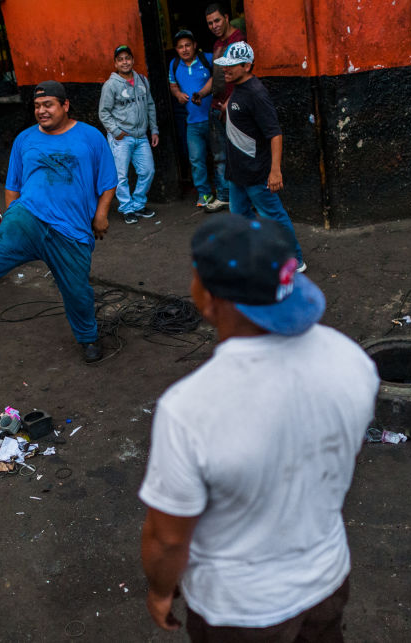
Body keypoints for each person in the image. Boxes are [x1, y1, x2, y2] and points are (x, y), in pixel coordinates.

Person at [139, 213, 378, 641]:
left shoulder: (189, 409)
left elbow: (168, 538)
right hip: (327, 582)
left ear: (210, 299)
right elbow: (337, 459)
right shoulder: (353, 361)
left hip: (241, 611)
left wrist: (160, 589)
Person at [0, 81, 117, 363]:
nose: (41, 111)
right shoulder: (25, 139)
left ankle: (88, 338)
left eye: (48, 104)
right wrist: (11, 214)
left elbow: (108, 181)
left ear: (65, 105)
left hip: (72, 229)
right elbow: (13, 183)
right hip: (29, 214)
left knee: (77, 292)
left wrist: (101, 215)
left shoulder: (91, 137)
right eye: (37, 106)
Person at [216, 41, 306, 272]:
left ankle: (295, 260)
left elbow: (274, 133)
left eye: (231, 66)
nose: (226, 69)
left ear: (247, 66)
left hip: (256, 172)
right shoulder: (239, 87)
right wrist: (229, 106)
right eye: (224, 65)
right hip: (237, 172)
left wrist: (275, 171)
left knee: (274, 216)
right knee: (240, 216)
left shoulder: (257, 93)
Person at [98, 44, 159, 224]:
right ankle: (126, 208)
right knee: (121, 175)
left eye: (127, 58)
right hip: (121, 138)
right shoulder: (111, 85)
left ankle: (139, 204)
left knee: (148, 170)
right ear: (115, 63)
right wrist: (116, 132)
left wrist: (154, 129)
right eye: (121, 59)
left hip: (141, 136)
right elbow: (104, 112)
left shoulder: (142, 80)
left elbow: (150, 105)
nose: (125, 62)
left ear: (132, 60)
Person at [202, 3, 247, 213]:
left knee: (240, 153)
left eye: (217, 20)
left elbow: (243, 74)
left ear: (226, 17)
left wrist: (231, 100)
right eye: (210, 23)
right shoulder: (216, 44)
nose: (214, 25)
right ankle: (224, 196)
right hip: (215, 106)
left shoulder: (238, 40)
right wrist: (201, 94)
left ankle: (248, 198)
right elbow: (216, 76)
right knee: (220, 155)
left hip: (233, 108)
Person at [168, 29, 215, 209]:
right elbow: (173, 85)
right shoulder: (174, 64)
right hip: (192, 122)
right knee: (196, 160)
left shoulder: (207, 59)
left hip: (213, 119)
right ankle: (205, 194)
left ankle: (225, 192)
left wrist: (202, 93)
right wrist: (178, 94)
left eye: (188, 45)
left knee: (221, 157)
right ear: (177, 49)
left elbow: (218, 77)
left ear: (195, 45)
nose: (185, 49)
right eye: (180, 47)